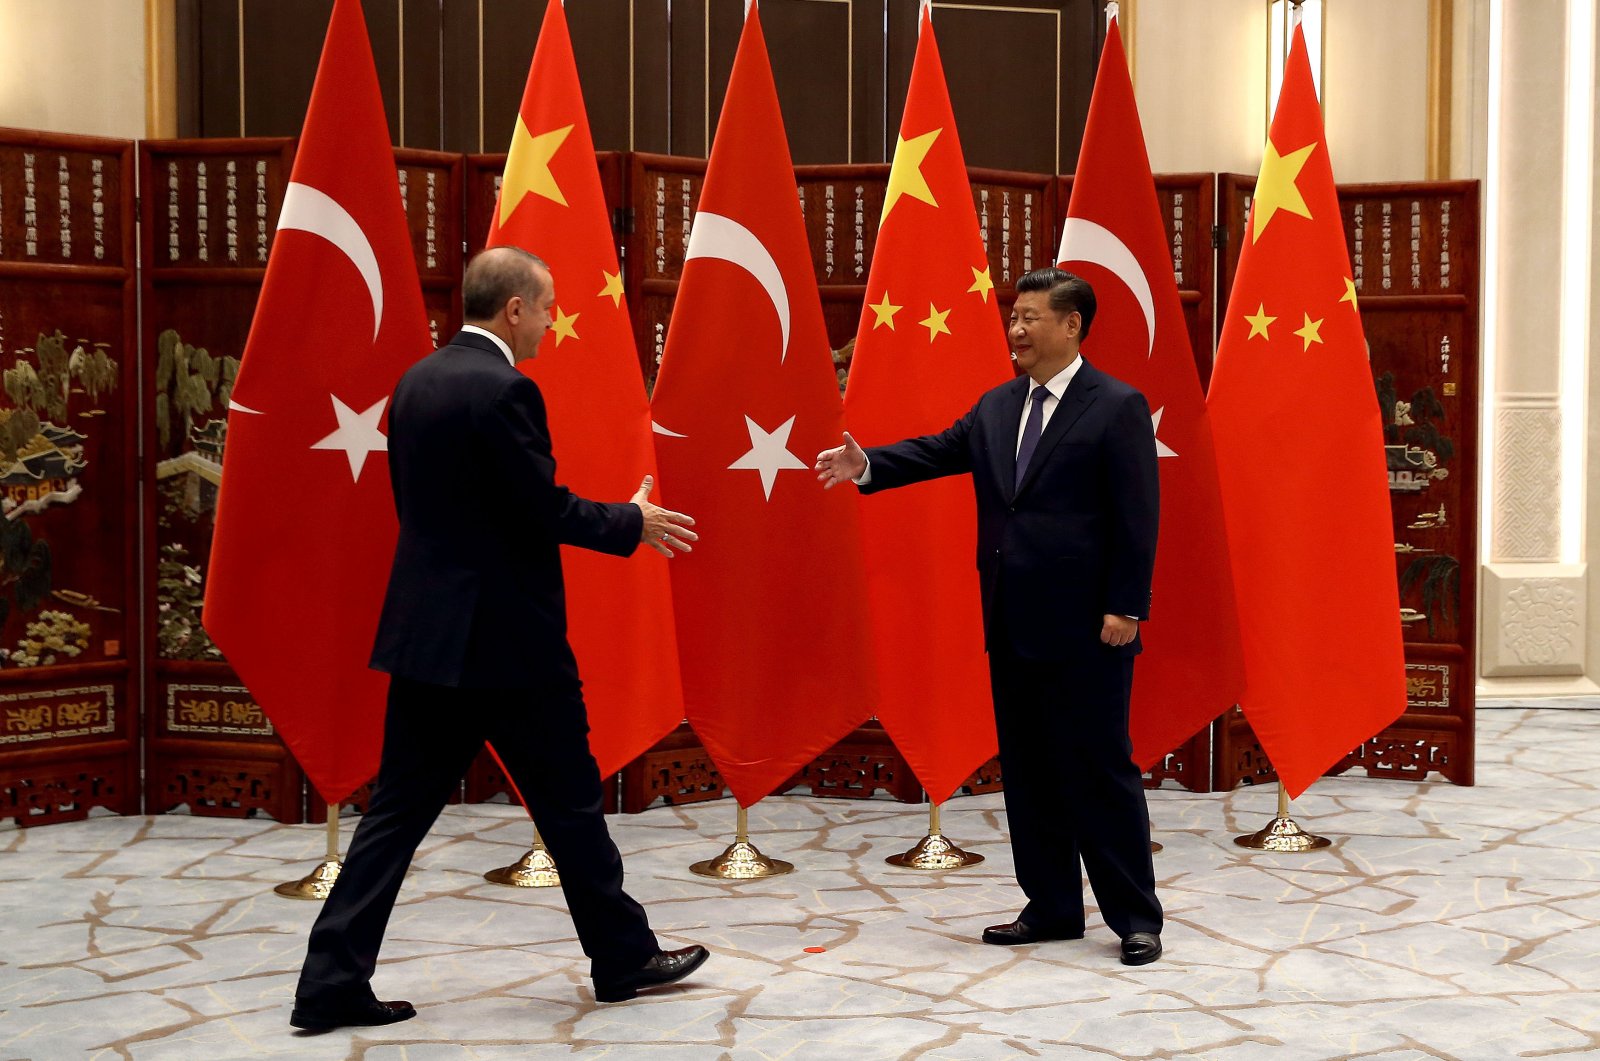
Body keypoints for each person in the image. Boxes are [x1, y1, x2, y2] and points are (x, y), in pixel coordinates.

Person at [290, 246, 708, 1031]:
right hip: (509, 646)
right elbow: (537, 508)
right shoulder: (507, 389)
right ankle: (621, 956)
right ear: (513, 308)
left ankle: (329, 978)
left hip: (427, 640)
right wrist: (632, 522)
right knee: (572, 805)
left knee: (395, 817)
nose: (552, 323)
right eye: (548, 307)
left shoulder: (414, 382)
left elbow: (433, 511)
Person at [815, 266, 1164, 966]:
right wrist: (868, 465)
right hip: (1012, 618)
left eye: (1032, 317)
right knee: (1031, 771)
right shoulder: (999, 404)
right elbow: (941, 450)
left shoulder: (1116, 405)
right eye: (1014, 317)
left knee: (1099, 769)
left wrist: (1125, 604)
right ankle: (1053, 904)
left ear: (1072, 325)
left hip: (1091, 628)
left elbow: (1138, 514)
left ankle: (1134, 915)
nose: (1017, 329)